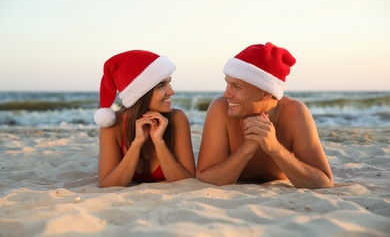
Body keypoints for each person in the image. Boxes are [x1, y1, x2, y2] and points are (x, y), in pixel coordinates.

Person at [196, 42, 333, 189]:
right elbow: (205, 176)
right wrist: (247, 149)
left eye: (236, 86)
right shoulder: (221, 109)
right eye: (228, 84)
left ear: (266, 92)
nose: (226, 94)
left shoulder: (295, 113)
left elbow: (324, 182)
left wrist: (275, 148)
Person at [94, 50, 195, 187]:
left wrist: (159, 142)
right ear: (140, 94)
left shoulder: (178, 118)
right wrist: (137, 143)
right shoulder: (113, 125)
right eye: (160, 85)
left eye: (169, 82)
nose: (171, 91)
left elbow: (186, 181)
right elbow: (107, 185)